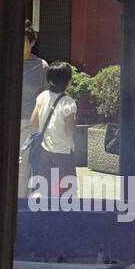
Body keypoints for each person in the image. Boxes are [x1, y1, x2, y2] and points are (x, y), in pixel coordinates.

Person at [0, 21, 47, 193]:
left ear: (32, 43)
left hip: (29, 121)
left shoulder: (41, 66)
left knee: (22, 163)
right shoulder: (8, 61)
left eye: (24, 40)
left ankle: (18, 203)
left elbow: (45, 95)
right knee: (4, 161)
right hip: (7, 120)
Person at [28, 61, 77, 198]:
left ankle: (43, 213)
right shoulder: (68, 102)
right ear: (68, 81)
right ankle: (65, 215)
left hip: (44, 150)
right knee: (68, 189)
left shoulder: (42, 96)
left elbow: (33, 120)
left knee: (45, 188)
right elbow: (69, 130)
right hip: (63, 151)